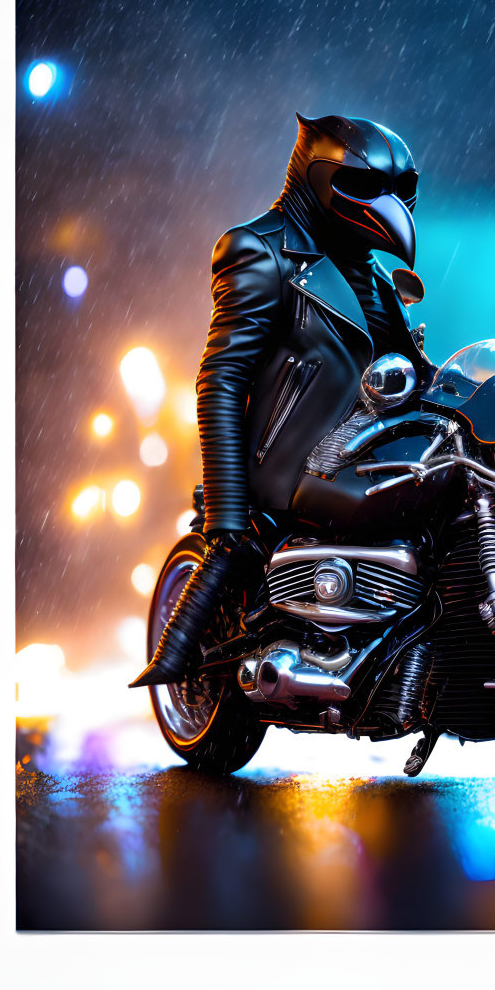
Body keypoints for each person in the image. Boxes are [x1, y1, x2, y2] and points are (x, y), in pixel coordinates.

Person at [130, 113, 428, 688]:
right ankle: (183, 650)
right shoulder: (259, 251)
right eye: (367, 186)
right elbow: (220, 378)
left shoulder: (372, 278)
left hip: (365, 465)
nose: (387, 205)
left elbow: (414, 374)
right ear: (318, 175)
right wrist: (227, 513)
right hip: (293, 473)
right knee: (223, 565)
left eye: (398, 191)